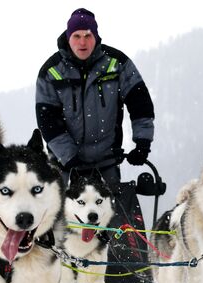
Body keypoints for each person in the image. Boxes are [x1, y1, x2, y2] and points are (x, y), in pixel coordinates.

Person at [36, 8, 155, 183]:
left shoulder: (117, 63)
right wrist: (69, 157)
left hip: (106, 162)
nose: (82, 42)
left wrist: (143, 142)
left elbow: (140, 103)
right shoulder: (51, 71)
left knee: (113, 209)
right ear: (69, 38)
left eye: (88, 36)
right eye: (77, 36)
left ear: (96, 37)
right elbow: (47, 119)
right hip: (65, 166)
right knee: (61, 209)